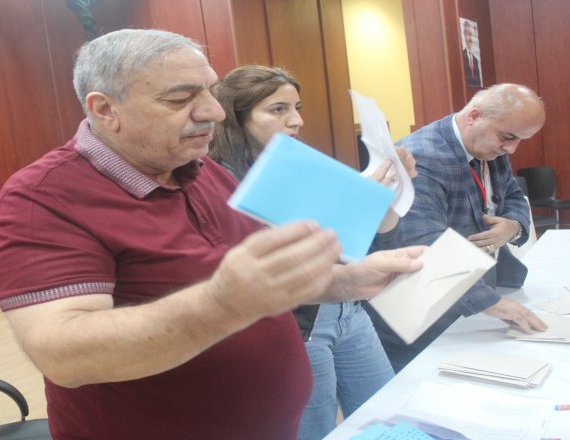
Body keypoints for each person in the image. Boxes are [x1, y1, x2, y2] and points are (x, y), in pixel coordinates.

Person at [0, 29, 426, 439]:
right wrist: (223, 302)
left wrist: (346, 280)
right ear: (105, 109)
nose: (213, 111)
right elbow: (63, 354)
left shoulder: (203, 170)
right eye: (180, 98)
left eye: (209, 90)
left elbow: (260, 284)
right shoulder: (41, 201)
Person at [209, 65, 417, 439]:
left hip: (348, 310)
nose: (296, 120)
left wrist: (389, 192)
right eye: (278, 109)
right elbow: (275, 255)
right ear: (237, 117)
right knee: (314, 429)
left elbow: (380, 237)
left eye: (297, 108)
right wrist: (353, 200)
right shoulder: (219, 179)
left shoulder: (301, 163)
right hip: (299, 321)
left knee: (384, 416)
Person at [365, 83, 549, 373]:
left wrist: (513, 226)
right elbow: (425, 245)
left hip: (470, 291)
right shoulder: (423, 157)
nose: (512, 148)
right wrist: (492, 304)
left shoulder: (489, 144)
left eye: (520, 140)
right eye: (508, 137)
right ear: (474, 116)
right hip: (422, 308)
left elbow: (513, 193)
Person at [462, 20, 483, 88]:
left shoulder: (476, 60)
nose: (470, 38)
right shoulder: (461, 57)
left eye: (471, 34)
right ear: (464, 36)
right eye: (468, 34)